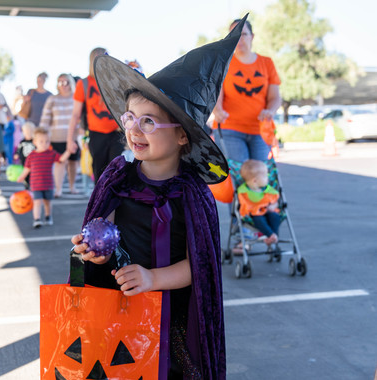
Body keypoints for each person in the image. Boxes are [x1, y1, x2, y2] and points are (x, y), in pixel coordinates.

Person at [69, 17, 248, 379]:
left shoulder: (193, 194)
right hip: (121, 315)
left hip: (175, 324)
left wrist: (153, 279)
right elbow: (105, 243)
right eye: (130, 117)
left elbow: (199, 266)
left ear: (182, 136)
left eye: (149, 122)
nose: (134, 128)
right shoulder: (118, 179)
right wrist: (91, 253)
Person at [212, 18, 282, 163]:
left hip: (260, 130)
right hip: (229, 129)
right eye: (234, 35)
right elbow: (216, 95)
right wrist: (217, 110)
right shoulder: (224, 64)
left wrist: (270, 110)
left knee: (259, 176)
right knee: (240, 176)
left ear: (252, 36)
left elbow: (275, 97)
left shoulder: (266, 63)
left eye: (243, 34)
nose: (239, 39)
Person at [66, 47, 125, 182]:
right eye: (98, 57)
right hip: (96, 133)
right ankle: (100, 200)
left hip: (116, 132)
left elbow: (126, 105)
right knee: (99, 170)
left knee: (117, 168)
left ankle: (116, 200)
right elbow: (75, 114)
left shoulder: (116, 81)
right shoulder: (84, 84)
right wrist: (70, 139)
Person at [17, 127, 70, 228]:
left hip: (48, 184)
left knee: (47, 202)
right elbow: (26, 169)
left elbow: (61, 159)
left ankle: (48, 216)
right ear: (35, 142)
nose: (44, 143)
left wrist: (68, 151)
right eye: (41, 141)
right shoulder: (31, 156)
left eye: (47, 141)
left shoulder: (51, 154)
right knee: (37, 202)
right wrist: (21, 178)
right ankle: (37, 219)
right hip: (36, 185)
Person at [40, 73, 80, 197]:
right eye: (60, 82)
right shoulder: (52, 99)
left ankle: (72, 186)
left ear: (71, 83)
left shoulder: (76, 98)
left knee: (73, 162)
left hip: (74, 136)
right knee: (59, 163)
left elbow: (81, 117)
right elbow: (45, 118)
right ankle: (58, 189)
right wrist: (42, 135)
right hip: (57, 136)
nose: (63, 85)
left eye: (66, 82)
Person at [237, 159, 280, 245]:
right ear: (255, 181)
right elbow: (245, 206)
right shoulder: (244, 192)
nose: (267, 178)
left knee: (275, 216)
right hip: (254, 215)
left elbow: (275, 202)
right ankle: (271, 235)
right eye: (265, 176)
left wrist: (273, 206)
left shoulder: (268, 190)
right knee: (259, 219)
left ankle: (273, 236)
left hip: (268, 211)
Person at [14, 121, 36, 189]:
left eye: (30, 132)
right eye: (26, 132)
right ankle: (26, 185)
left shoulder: (35, 141)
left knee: (32, 174)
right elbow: (19, 149)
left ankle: (33, 185)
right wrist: (17, 154)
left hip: (33, 163)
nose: (28, 133)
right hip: (24, 161)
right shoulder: (22, 142)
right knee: (25, 174)